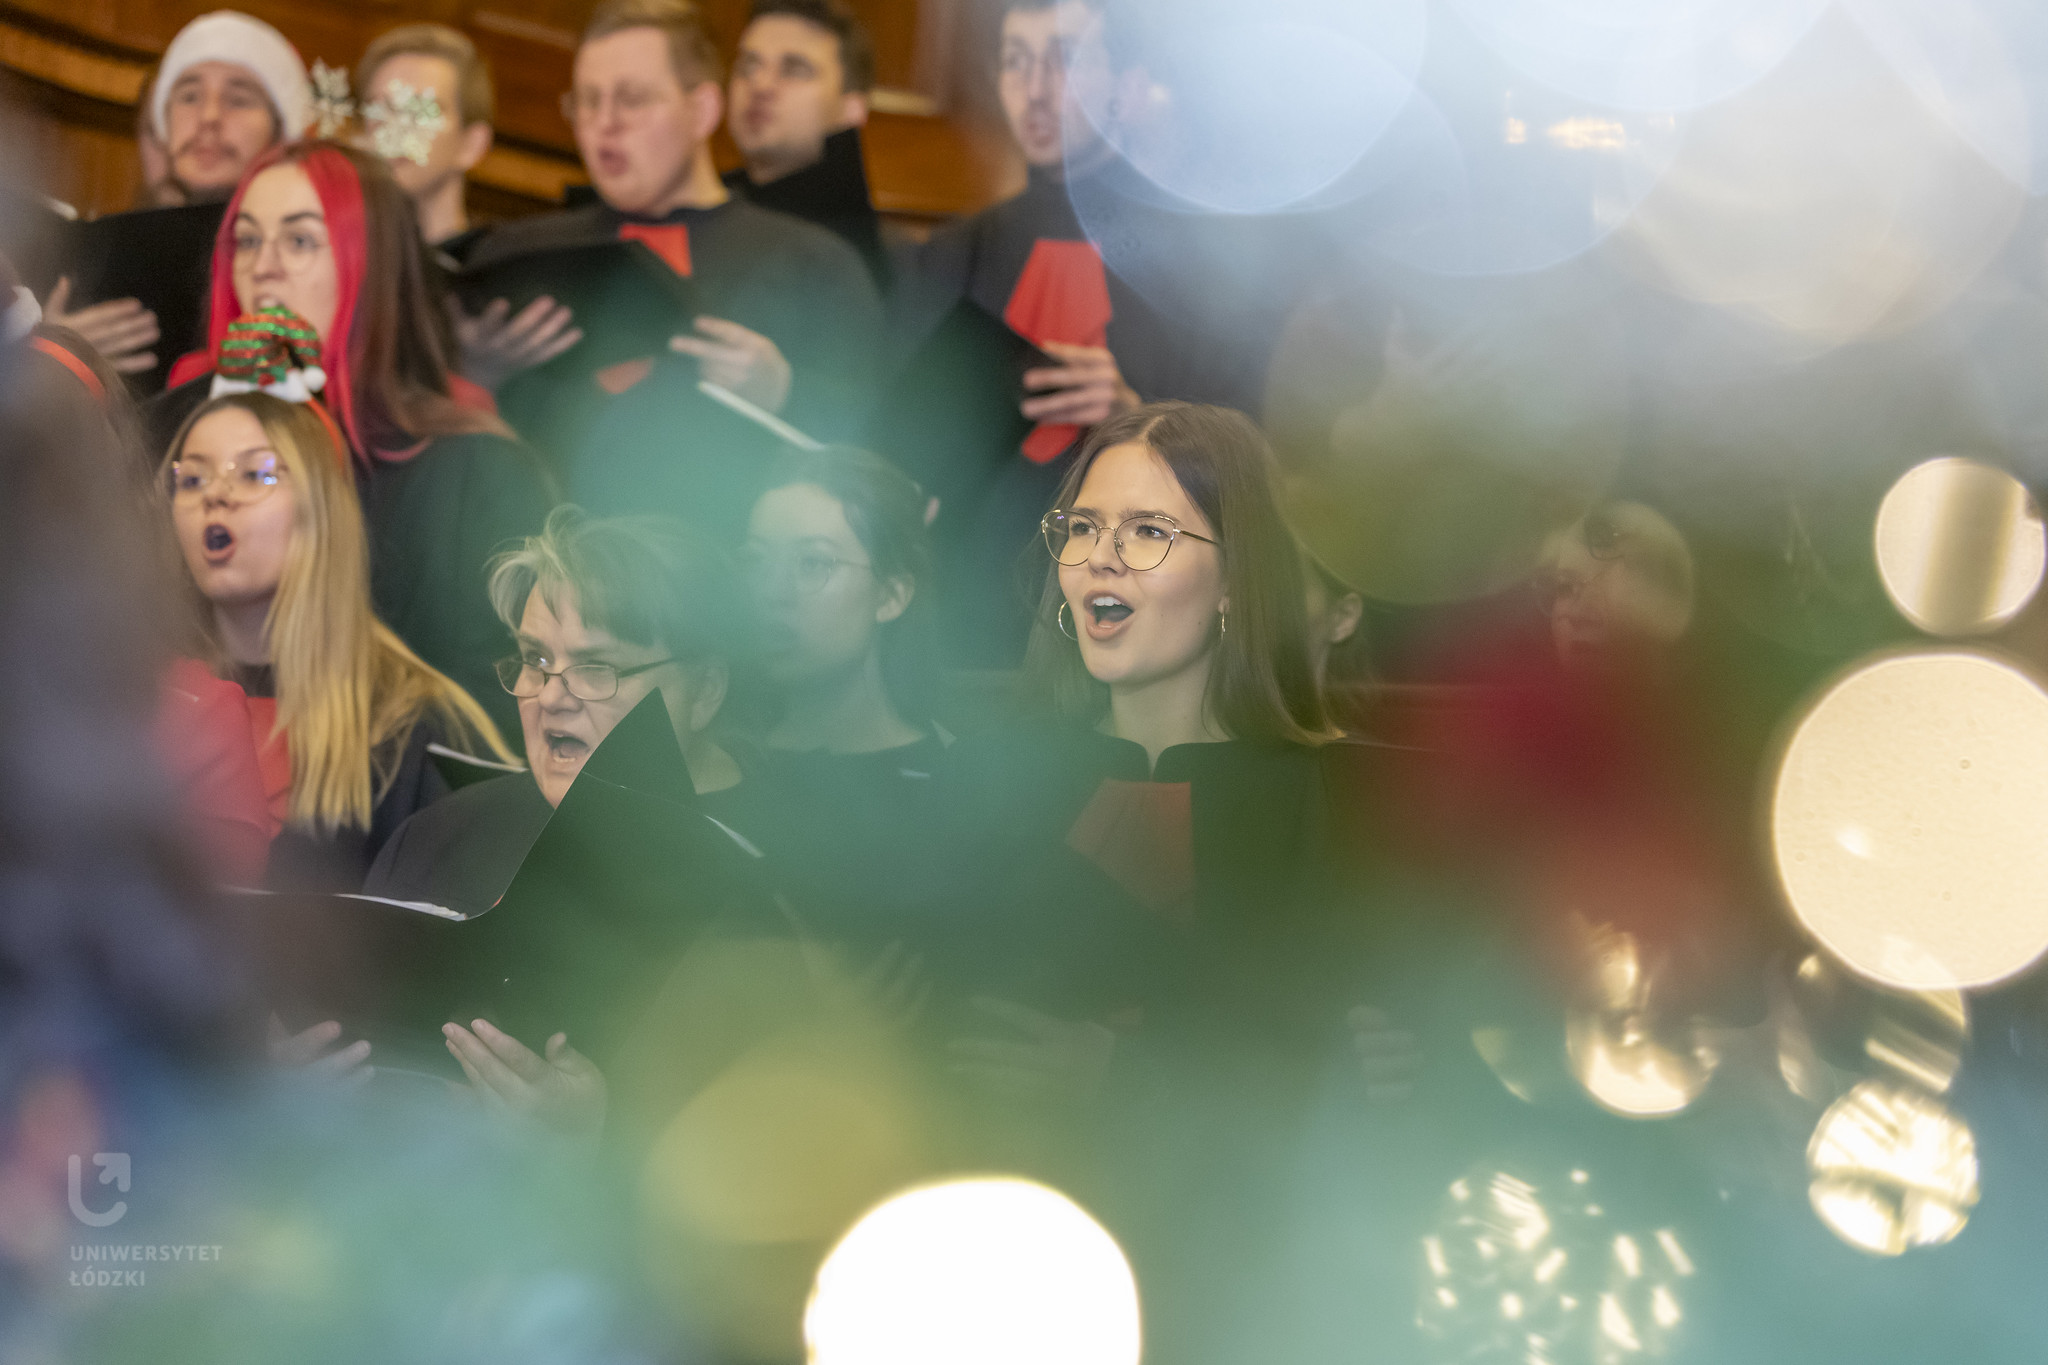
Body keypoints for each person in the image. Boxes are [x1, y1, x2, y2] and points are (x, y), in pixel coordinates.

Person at [148, 140, 556, 739]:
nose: (263, 266)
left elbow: (497, 703)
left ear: (371, 266)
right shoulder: (164, 429)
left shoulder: (476, 467)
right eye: (248, 239)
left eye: (300, 240)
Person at [466, 0, 885, 518]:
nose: (605, 124)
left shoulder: (814, 264)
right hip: (539, 558)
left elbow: (876, 452)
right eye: (588, 101)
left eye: (632, 99)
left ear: (702, 110)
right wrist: (476, 376)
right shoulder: (517, 253)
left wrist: (784, 393)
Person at [160, 391, 515, 889]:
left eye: (255, 474)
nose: (215, 496)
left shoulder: (412, 722)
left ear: (322, 508)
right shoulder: (144, 700)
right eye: (193, 478)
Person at [713, 446, 952, 939]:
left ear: (891, 594)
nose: (771, 590)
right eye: (756, 560)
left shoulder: (950, 784)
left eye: (812, 563)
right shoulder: (711, 757)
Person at [43, 12, 312, 377]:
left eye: (239, 99)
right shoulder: (103, 250)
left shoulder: (315, 260)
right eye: (188, 96)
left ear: (283, 131)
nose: (209, 116)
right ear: (162, 125)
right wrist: (50, 356)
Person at [723, 0, 888, 287]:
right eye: (749, 65)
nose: (760, 85)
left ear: (853, 107)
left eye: (794, 69)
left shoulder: (842, 255)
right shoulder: (706, 202)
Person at [355, 24, 498, 260]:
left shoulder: (493, 276)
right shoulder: (336, 263)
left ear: (472, 144)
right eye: (380, 109)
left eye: (419, 112)